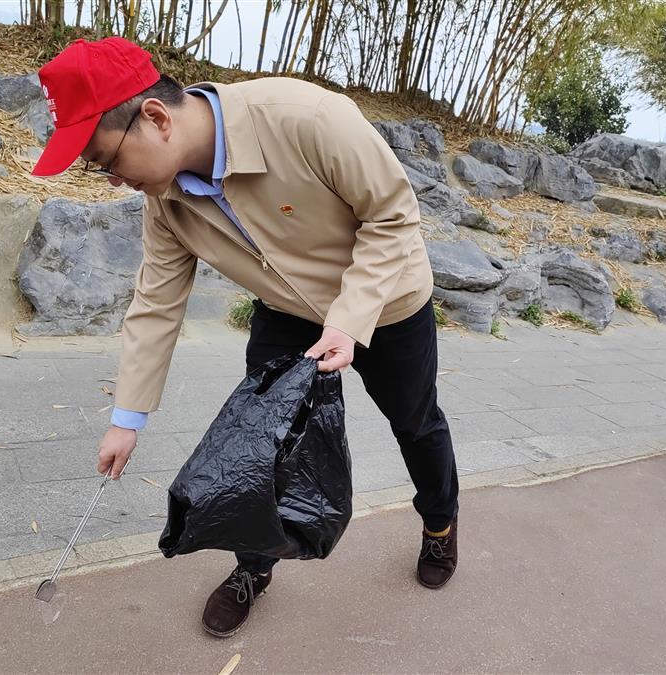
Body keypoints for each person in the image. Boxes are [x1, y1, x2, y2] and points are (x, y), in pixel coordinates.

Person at [31, 38, 460, 638]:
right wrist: (127, 419)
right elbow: (155, 304)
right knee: (261, 444)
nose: (113, 180)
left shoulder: (307, 119)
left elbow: (392, 215)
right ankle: (254, 565)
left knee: (415, 423)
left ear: (154, 118)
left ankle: (440, 524)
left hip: (386, 301)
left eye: (107, 161)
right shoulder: (166, 201)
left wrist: (348, 318)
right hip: (288, 311)